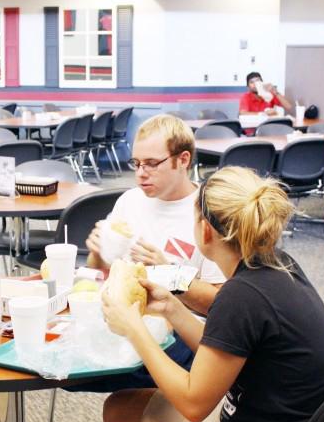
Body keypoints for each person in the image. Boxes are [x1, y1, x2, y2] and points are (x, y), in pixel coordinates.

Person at [93, 166, 324, 422]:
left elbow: (194, 404)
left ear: (205, 231)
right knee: (122, 409)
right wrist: (172, 309)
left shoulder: (243, 296)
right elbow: (224, 347)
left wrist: (134, 329)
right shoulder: (274, 267)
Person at [77, 114, 225, 393]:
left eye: (152, 164)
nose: (141, 173)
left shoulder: (209, 211)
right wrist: (96, 253)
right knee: (62, 353)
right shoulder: (130, 201)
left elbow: (222, 305)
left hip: (185, 334)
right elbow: (102, 273)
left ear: (183, 160)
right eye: (136, 163)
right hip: (127, 319)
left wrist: (169, 274)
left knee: (81, 369)